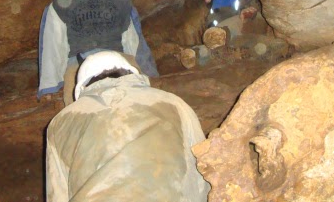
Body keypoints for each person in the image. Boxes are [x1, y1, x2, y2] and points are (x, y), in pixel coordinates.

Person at [45, 51, 211, 202]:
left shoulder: (61, 122)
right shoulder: (174, 104)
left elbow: (58, 193)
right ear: (130, 72)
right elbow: (202, 171)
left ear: (83, 87)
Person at [38, 0, 158, 105]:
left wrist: (149, 72)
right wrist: (49, 85)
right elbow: (52, 42)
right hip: (79, 62)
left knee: (143, 102)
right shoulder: (63, 1)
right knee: (75, 110)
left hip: (118, 57)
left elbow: (133, 36)